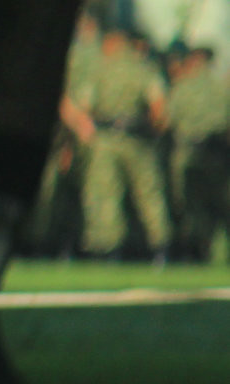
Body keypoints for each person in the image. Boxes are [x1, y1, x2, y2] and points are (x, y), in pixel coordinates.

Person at [64, 23, 171, 260]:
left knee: (104, 194)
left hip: (105, 139)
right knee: (149, 193)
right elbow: (159, 111)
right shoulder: (143, 68)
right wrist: (154, 134)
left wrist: (85, 133)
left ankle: (107, 247)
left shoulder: (100, 69)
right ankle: (160, 246)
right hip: (138, 139)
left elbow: (84, 107)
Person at [166, 43, 230, 264]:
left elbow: (167, 120)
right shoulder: (222, 88)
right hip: (217, 154)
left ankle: (196, 252)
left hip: (187, 154)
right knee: (221, 206)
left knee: (192, 207)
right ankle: (220, 253)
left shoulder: (182, 86)